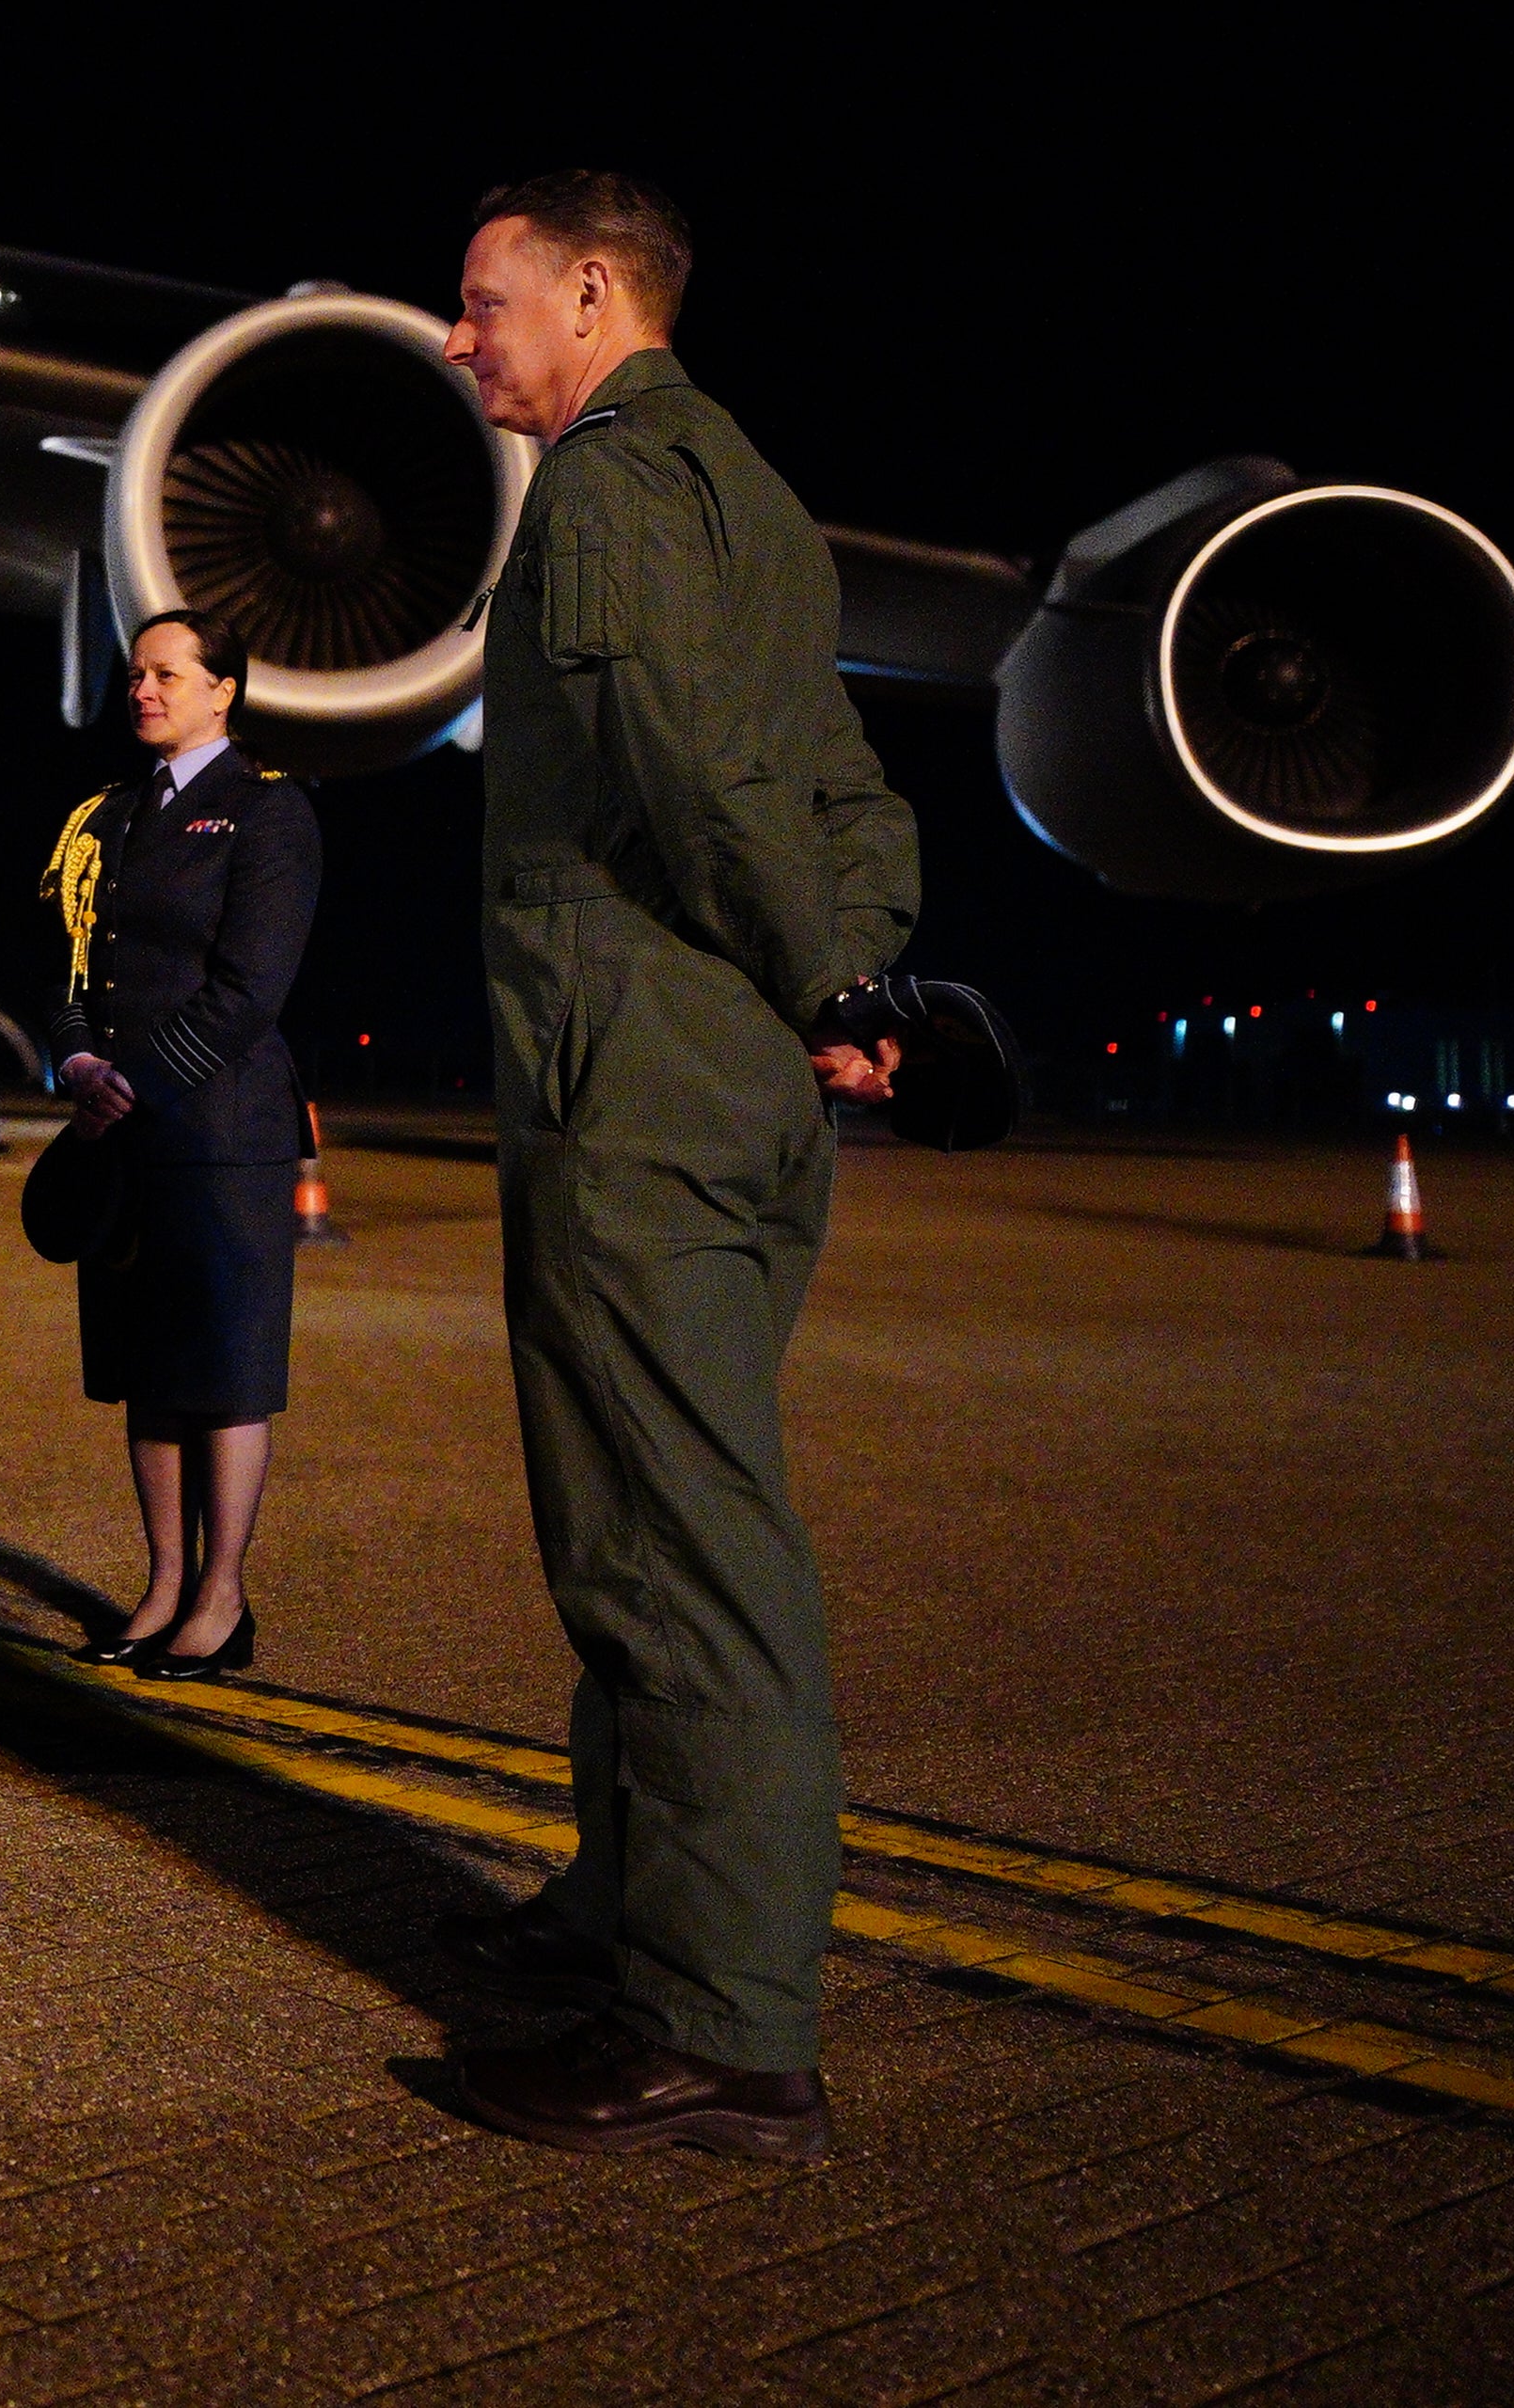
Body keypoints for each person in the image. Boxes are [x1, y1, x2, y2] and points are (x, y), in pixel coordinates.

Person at [431, 171, 916, 2162]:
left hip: (631, 1079)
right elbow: (841, 784)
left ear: (590, 290)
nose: (457, 339)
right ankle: (631, 1907)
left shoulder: (611, 493)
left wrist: (816, 969)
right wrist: (861, 972)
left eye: (480, 302)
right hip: (730, 1095)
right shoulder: (756, 501)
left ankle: (717, 2030)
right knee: (658, 1516)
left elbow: (692, 775)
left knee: (675, 1547)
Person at [39, 610, 323, 1679]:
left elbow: (249, 991)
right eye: (135, 674)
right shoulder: (108, 816)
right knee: (147, 1374)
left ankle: (222, 1597)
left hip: (219, 1133)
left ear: (223, 692)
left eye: (167, 673)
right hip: (123, 1128)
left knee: (224, 1373)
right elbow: (73, 963)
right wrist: (73, 1061)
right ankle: (160, 1584)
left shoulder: (266, 811)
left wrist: (136, 1087)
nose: (144, 689)